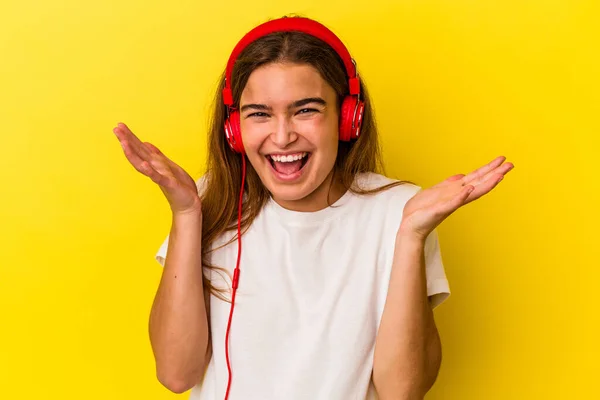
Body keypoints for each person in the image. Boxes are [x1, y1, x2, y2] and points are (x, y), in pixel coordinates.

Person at [112, 15, 513, 400]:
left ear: (347, 118)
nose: (283, 136)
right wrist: (186, 215)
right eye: (259, 114)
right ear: (235, 130)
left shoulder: (402, 211)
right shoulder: (210, 201)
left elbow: (401, 393)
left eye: (306, 110)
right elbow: (175, 373)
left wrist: (410, 236)